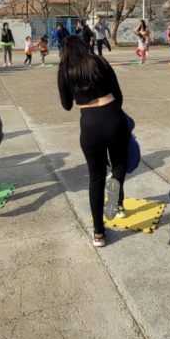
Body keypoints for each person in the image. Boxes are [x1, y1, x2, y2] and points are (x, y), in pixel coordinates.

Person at [57, 35, 132, 246]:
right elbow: (118, 93)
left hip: (89, 123)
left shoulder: (64, 69)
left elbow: (66, 105)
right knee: (119, 163)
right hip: (113, 115)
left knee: (95, 177)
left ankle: (99, 233)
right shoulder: (99, 61)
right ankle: (115, 190)